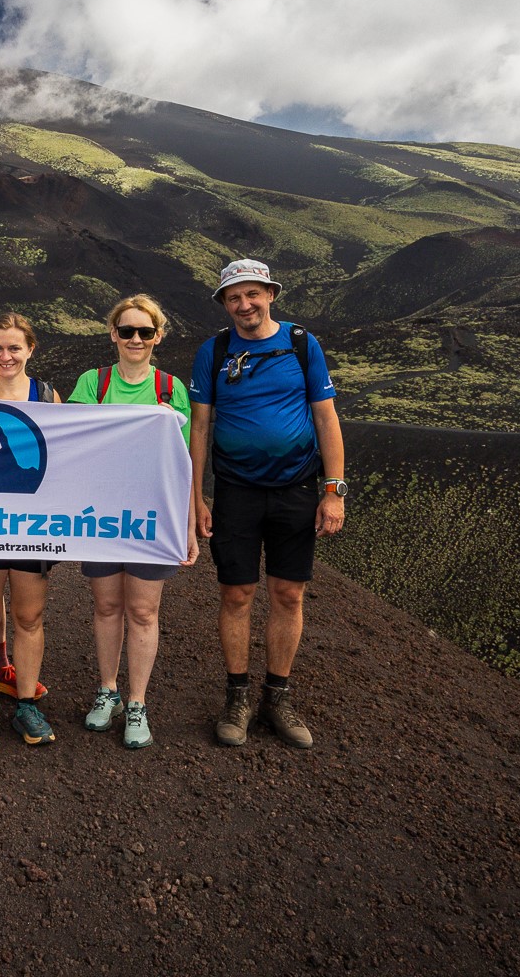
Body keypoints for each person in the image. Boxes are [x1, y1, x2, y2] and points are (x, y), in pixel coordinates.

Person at [188, 259, 346, 750]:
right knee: (236, 594)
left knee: (288, 594)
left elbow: (325, 418)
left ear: (270, 294)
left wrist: (333, 490)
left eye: (253, 294)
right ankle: (238, 696)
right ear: (224, 304)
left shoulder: (301, 344)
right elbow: (199, 427)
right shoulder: (213, 351)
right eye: (234, 297)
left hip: (297, 488)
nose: (245, 304)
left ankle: (278, 696)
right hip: (236, 490)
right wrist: (196, 497)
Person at [68, 294, 194, 750]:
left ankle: (137, 701)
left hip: (150, 514)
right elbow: (72, 444)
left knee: (142, 610)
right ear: (113, 335)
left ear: (157, 336)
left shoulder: (170, 388)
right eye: (127, 331)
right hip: (99, 513)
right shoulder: (92, 383)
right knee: (106, 607)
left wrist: (186, 523)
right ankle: (108, 691)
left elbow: (182, 461)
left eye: (145, 331)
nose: (135, 339)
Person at [0, 314, 61, 754]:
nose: (5, 357)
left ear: (30, 350)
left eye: (14, 348)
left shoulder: (47, 396)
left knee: (28, 617)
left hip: (31, 525)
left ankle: (24, 702)